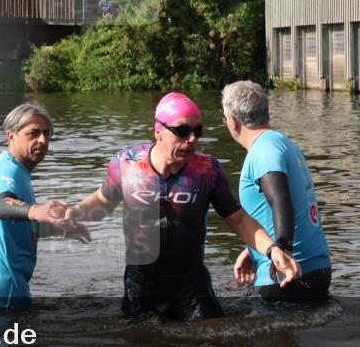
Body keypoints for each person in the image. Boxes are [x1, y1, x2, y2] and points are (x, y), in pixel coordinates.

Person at [66, 92, 300, 322]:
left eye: (197, 131)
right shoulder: (126, 164)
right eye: (182, 131)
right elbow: (104, 200)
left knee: (213, 340)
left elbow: (238, 219)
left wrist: (273, 249)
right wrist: (74, 213)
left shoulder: (207, 170)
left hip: (191, 285)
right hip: (141, 286)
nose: (192, 139)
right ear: (159, 130)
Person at [0, 103, 90, 309]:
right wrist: (38, 210)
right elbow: (2, 206)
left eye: (47, 134)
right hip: (4, 291)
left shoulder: (10, 169)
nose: (43, 140)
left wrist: (59, 227)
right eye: (34, 133)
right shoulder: (8, 171)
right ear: (11, 136)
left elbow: (14, 225)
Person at [221, 81, 332, 301]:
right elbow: (289, 204)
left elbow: (280, 199)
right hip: (315, 268)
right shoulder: (281, 143)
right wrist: (255, 249)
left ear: (233, 122)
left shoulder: (264, 151)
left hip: (286, 275)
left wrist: (283, 249)